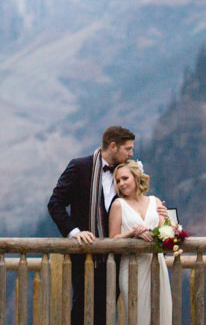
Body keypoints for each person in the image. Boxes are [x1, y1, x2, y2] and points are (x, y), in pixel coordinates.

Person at [48, 125, 136, 325]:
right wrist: (74, 232)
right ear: (113, 146)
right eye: (127, 149)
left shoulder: (125, 173)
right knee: (82, 310)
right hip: (85, 256)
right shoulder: (79, 167)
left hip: (116, 258)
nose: (131, 153)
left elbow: (134, 204)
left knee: (107, 313)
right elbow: (55, 204)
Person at [109, 160, 172, 325]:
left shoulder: (155, 201)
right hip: (131, 267)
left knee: (162, 314)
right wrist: (132, 233)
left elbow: (166, 234)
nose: (121, 184)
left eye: (124, 178)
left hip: (157, 265)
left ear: (136, 177)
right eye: (117, 181)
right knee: (137, 317)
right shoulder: (118, 205)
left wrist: (167, 220)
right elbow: (112, 239)